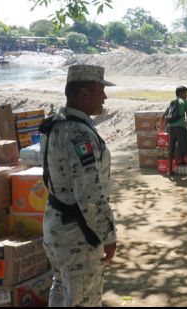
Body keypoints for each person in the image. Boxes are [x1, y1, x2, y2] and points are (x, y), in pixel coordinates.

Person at [40, 65, 117, 306]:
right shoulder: (79, 135)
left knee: (62, 291)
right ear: (84, 94)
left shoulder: (54, 125)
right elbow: (90, 196)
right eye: (101, 91)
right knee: (83, 298)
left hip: (55, 228)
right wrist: (108, 235)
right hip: (78, 237)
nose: (104, 97)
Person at [159, 86, 187, 176]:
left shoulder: (171, 102)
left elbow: (164, 115)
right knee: (185, 149)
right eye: (185, 93)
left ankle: (169, 171)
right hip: (180, 128)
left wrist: (161, 128)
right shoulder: (185, 102)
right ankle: (186, 169)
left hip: (170, 128)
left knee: (170, 149)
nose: (186, 95)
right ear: (180, 93)